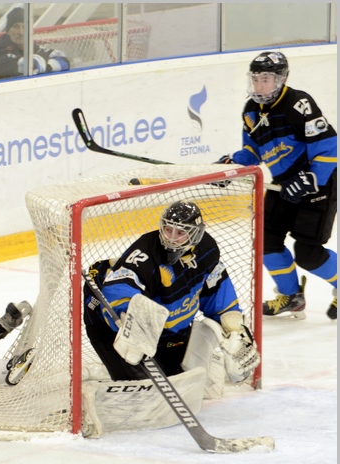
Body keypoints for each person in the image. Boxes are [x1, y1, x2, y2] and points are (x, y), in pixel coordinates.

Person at [83, 201, 260, 393]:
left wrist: (233, 329)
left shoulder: (206, 249)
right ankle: (120, 365)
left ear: (195, 234)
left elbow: (216, 289)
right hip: (110, 318)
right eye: (168, 230)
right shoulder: (146, 252)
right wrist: (129, 318)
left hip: (169, 331)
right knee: (148, 394)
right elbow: (121, 285)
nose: (171, 239)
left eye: (180, 232)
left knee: (193, 388)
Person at [216, 51, 337, 320]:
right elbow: (252, 151)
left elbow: (329, 145)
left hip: (318, 185)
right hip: (284, 184)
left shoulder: (298, 104)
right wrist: (232, 165)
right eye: (256, 79)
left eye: (266, 79)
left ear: (281, 79)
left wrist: (312, 178)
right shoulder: (250, 110)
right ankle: (291, 297)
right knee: (266, 242)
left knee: (308, 254)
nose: (259, 86)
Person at [0, 7, 70, 80]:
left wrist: (47, 67)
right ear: (8, 31)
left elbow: (64, 61)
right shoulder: (1, 51)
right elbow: (28, 68)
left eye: (24, 27)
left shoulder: (31, 46)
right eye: (16, 27)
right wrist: (44, 61)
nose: (20, 32)